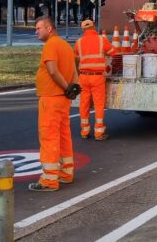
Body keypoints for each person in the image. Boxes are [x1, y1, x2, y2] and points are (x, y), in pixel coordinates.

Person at [29, 16, 78, 192]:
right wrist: (72, 90)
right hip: (63, 99)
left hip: (51, 97)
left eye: (38, 28)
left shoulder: (51, 45)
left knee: (49, 137)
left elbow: (52, 70)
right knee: (64, 135)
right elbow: (73, 71)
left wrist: (66, 88)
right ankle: (66, 173)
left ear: (49, 28)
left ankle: (49, 180)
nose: (36, 31)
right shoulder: (65, 45)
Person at [74, 19, 114, 140]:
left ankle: (84, 131)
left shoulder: (79, 42)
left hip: (83, 77)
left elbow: (76, 58)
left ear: (83, 30)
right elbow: (113, 51)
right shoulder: (102, 40)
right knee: (98, 104)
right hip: (97, 77)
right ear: (93, 27)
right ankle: (99, 132)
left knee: (84, 104)